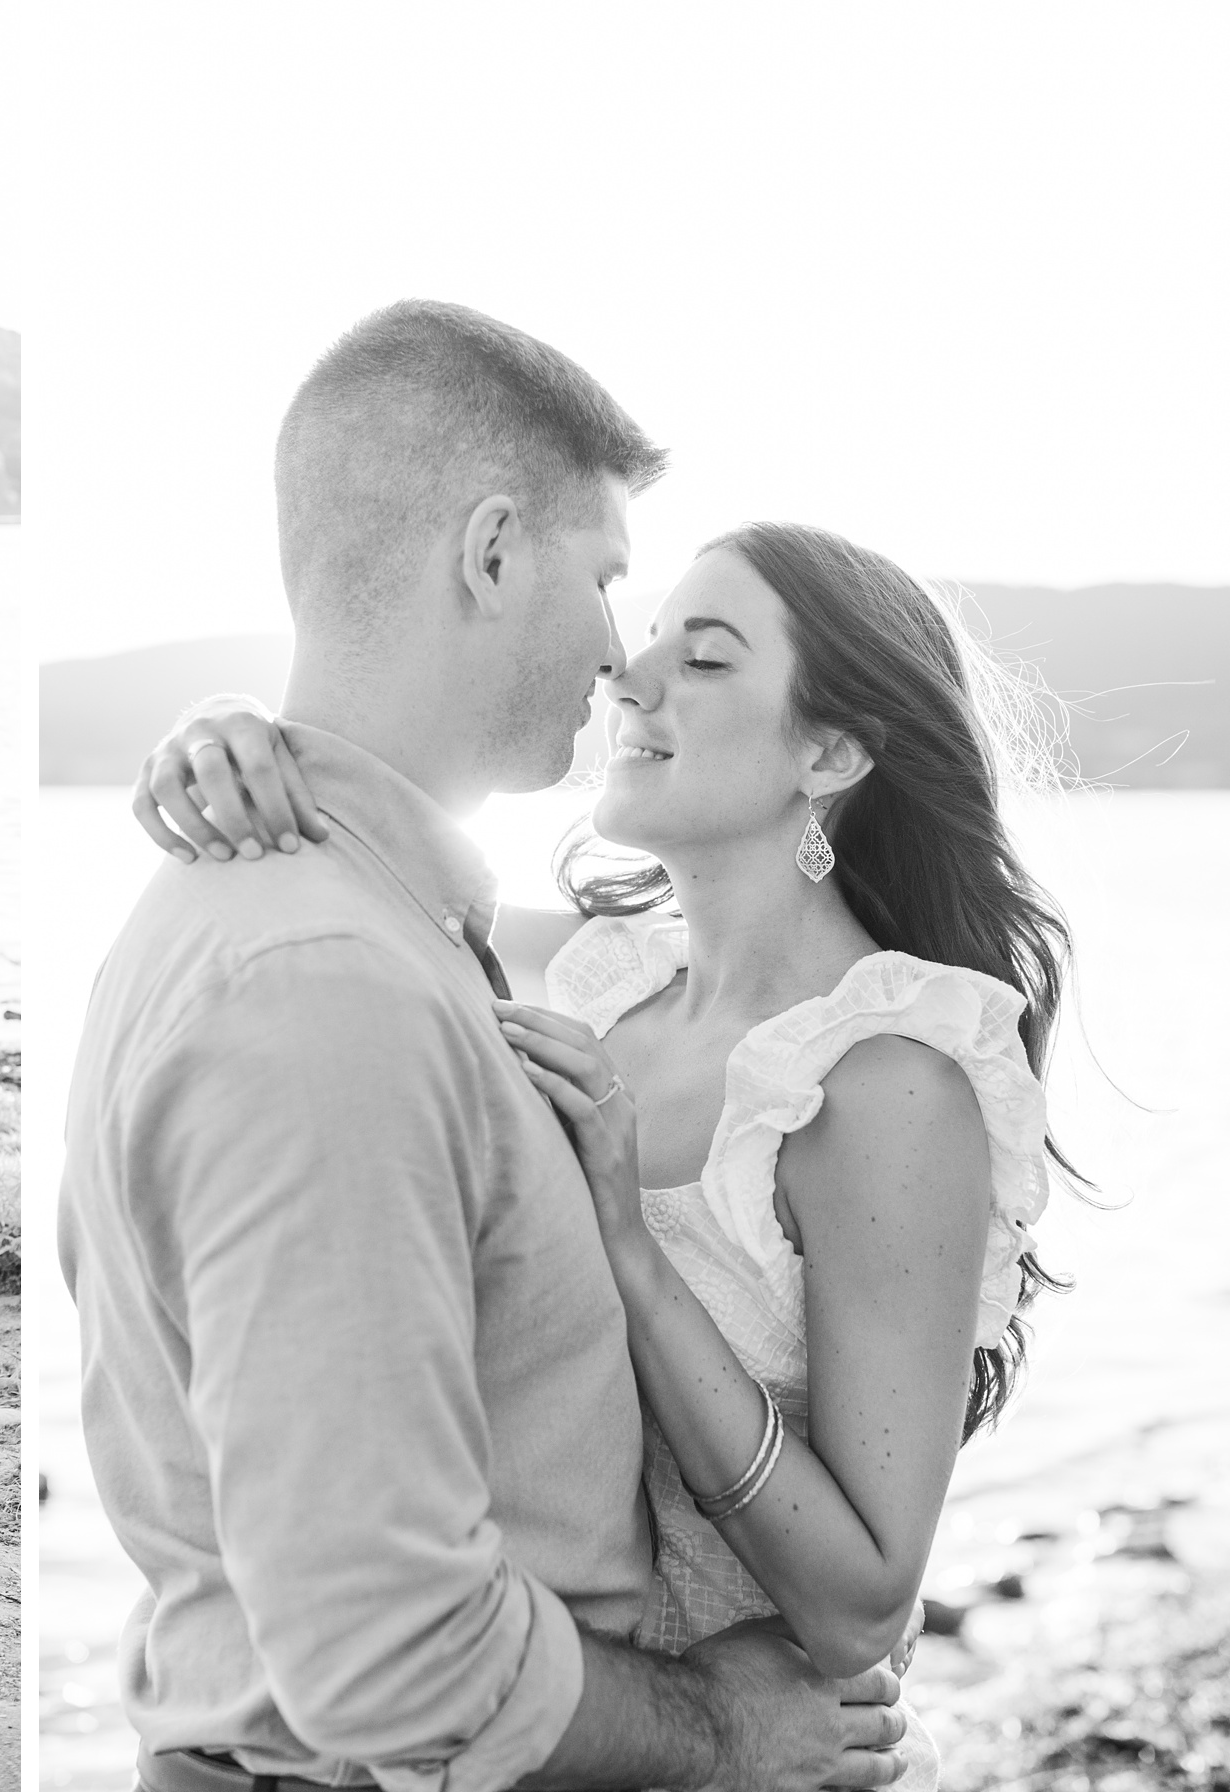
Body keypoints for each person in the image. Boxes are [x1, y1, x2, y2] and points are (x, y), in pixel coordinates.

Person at [60, 301, 917, 1792]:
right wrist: (723, 1731)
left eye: (683, 646)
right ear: (494, 549)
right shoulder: (325, 986)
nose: (615, 658)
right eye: (608, 582)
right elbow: (389, 1660)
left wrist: (237, 733)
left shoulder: (410, 927)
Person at [134, 529, 1081, 1784]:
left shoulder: (887, 1080)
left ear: (832, 751)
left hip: (742, 1747)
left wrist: (631, 1256)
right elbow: (381, 883)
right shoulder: (604, 983)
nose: (630, 678)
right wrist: (227, 735)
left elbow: (864, 1604)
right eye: (647, 640)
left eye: (706, 659)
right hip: (549, 1724)